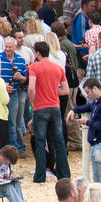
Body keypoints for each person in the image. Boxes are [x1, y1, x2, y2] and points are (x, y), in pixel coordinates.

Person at [28, 41, 72, 182]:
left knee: (40, 142)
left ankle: (40, 176)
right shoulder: (58, 68)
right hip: (55, 107)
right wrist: (53, 91)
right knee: (59, 141)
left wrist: (32, 100)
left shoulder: (34, 67)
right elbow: (65, 90)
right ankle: (64, 173)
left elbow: (31, 87)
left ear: (38, 53)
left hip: (40, 108)